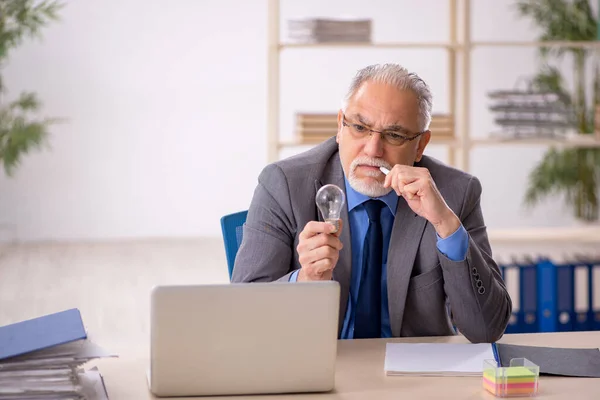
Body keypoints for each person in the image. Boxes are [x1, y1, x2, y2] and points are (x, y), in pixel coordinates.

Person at [231, 63, 512, 343]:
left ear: (421, 145)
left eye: (394, 135)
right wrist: (306, 280)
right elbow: (242, 315)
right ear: (340, 126)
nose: (373, 149)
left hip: (416, 377)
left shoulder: (455, 192)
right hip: (317, 364)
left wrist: (447, 226)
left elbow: (486, 329)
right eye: (360, 127)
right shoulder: (283, 184)